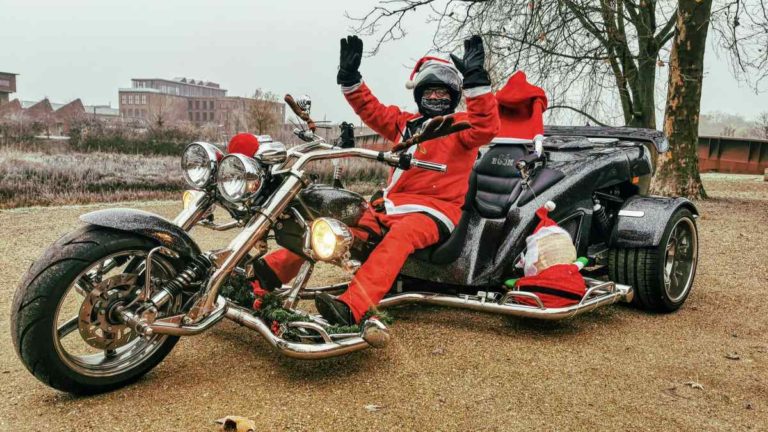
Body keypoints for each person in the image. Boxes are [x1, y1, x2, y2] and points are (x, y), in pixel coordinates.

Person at [250, 34, 500, 326]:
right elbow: (371, 110)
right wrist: (350, 78)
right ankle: (264, 275)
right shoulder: (404, 123)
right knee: (330, 226)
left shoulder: (461, 126)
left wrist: (476, 81)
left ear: (453, 97)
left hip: (433, 212)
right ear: (419, 94)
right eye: (429, 92)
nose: (435, 97)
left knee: (401, 237)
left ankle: (352, 307)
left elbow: (487, 125)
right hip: (389, 207)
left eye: (442, 93)